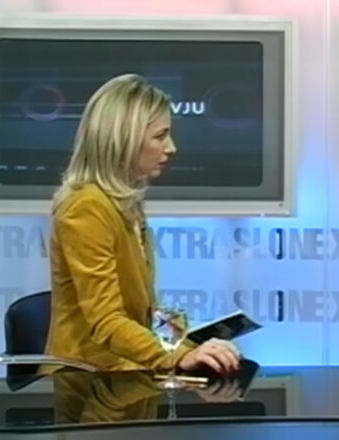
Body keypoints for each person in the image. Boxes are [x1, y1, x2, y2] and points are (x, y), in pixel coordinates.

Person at [45, 74, 240, 373]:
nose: (171, 148)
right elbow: (107, 322)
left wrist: (190, 343)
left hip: (127, 370)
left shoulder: (125, 203)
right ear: (124, 140)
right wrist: (177, 356)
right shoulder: (86, 207)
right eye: (160, 137)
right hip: (88, 381)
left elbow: (140, 311)